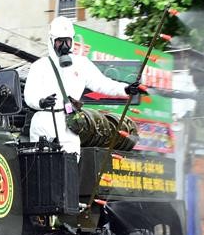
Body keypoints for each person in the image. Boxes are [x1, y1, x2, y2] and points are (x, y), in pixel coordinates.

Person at [24, 16, 143, 155]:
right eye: (59, 42)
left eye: (67, 41)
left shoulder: (81, 64)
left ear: (72, 41)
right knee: (43, 167)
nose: (64, 46)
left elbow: (102, 83)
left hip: (70, 124)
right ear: (51, 41)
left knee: (70, 168)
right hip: (43, 123)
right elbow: (29, 95)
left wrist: (125, 89)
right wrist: (41, 102)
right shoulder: (40, 66)